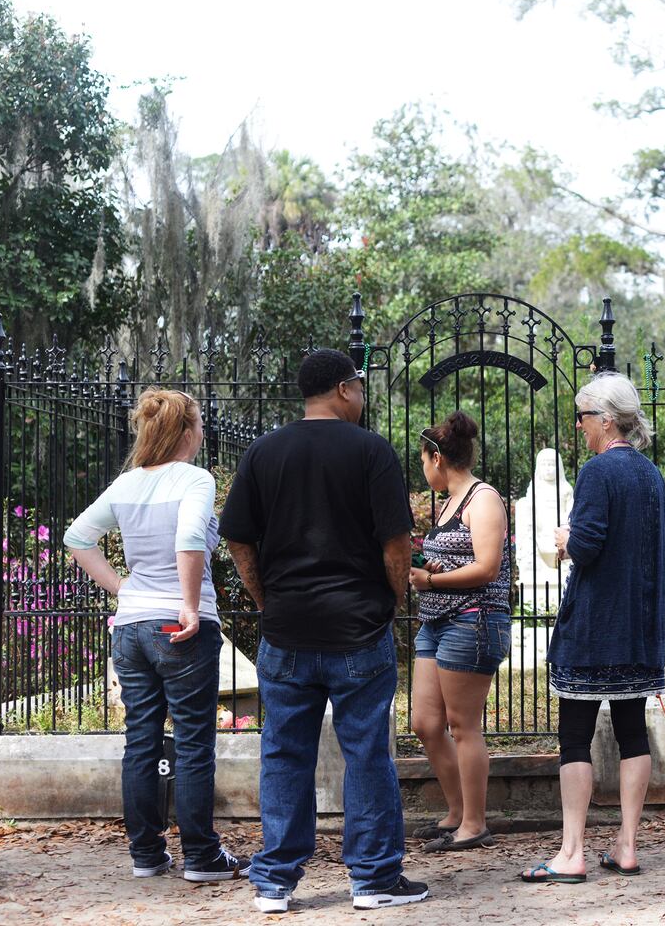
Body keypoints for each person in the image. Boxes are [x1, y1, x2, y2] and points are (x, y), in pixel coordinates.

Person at [219, 348, 428, 913]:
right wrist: (391, 598)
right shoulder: (371, 452)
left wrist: (267, 598)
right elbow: (396, 543)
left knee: (283, 754)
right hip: (359, 627)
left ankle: (275, 882)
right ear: (343, 389)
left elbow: (237, 536)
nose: (362, 397)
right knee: (367, 755)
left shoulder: (264, 451)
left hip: (287, 630)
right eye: (359, 387)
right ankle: (374, 879)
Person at [64, 388, 250, 883]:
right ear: (187, 432)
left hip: (131, 626)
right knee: (192, 742)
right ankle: (202, 858)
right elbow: (190, 538)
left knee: (141, 741)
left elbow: (77, 537)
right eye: (201, 424)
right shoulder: (195, 479)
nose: (204, 432)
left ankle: (147, 855)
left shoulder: (125, 485)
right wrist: (188, 604)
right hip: (179, 626)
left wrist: (122, 589)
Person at [520, 371, 665, 884]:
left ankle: (571, 853)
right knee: (634, 734)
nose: (579, 425)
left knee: (574, 739)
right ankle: (627, 846)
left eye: (584, 416)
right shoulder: (651, 475)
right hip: (639, 631)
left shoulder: (597, 471)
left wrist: (567, 539)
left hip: (593, 630)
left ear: (606, 421)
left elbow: (586, 546)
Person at [408, 412, 511, 853]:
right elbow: (460, 559)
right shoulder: (449, 502)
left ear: (437, 458)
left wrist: (430, 580)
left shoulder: (482, 498)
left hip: (473, 619)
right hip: (436, 621)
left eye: (423, 462)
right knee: (426, 723)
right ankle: (454, 813)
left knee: (462, 725)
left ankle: (473, 823)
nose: (423, 470)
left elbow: (486, 568)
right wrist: (435, 571)